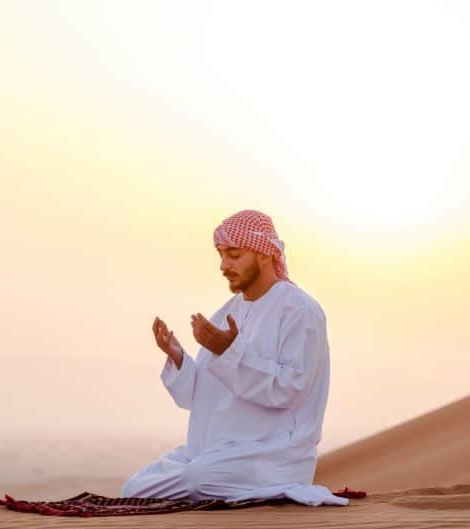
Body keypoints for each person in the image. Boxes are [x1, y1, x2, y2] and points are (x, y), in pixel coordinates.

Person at [120, 209, 348, 506]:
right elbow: (198, 397)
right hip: (216, 450)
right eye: (220, 254)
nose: (224, 265)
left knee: (197, 478)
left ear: (265, 255)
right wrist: (177, 357)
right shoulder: (230, 310)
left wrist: (229, 353)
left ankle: (257, 486)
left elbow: (289, 389)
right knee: (135, 486)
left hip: (271, 455)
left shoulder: (300, 310)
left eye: (234, 254)